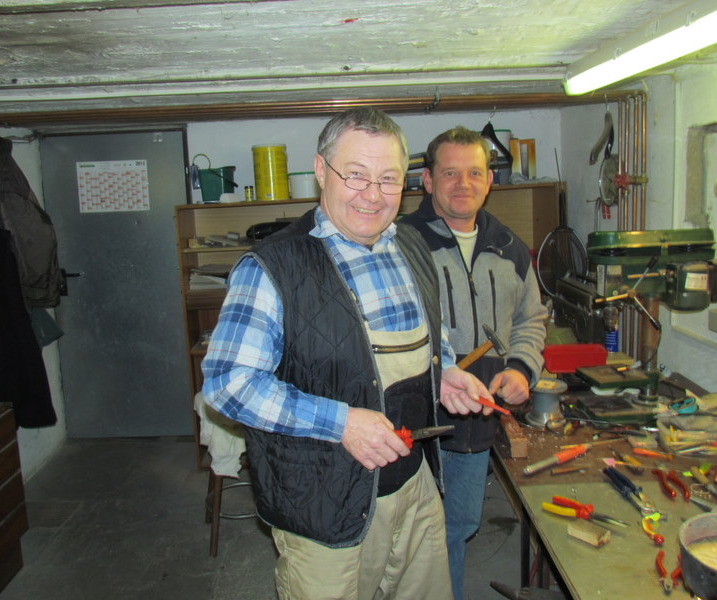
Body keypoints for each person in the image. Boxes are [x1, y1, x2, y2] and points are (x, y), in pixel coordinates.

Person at [201, 108, 494, 600]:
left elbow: (427, 336)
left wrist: (440, 374)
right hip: (323, 506)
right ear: (321, 171)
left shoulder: (413, 247)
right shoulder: (274, 265)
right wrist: (341, 424)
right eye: (355, 176)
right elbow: (229, 384)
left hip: (413, 485)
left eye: (388, 179)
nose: (373, 195)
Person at [399, 126, 546, 600]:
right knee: (403, 536)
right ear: (427, 180)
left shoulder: (509, 247)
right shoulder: (399, 244)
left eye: (475, 173)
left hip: (475, 417)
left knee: (457, 525)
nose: (463, 183)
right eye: (450, 173)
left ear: (490, 180)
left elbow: (531, 319)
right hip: (412, 417)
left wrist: (522, 368)